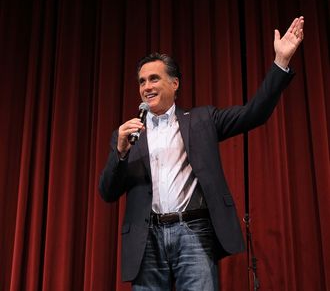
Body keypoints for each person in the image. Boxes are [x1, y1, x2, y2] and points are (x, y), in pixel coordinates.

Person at [99, 16, 304, 290]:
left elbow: (254, 113)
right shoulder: (128, 135)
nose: (146, 87)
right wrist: (121, 152)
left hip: (193, 232)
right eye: (141, 81)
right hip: (146, 240)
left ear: (174, 84)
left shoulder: (202, 120)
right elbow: (108, 192)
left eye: (154, 79)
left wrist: (280, 63)